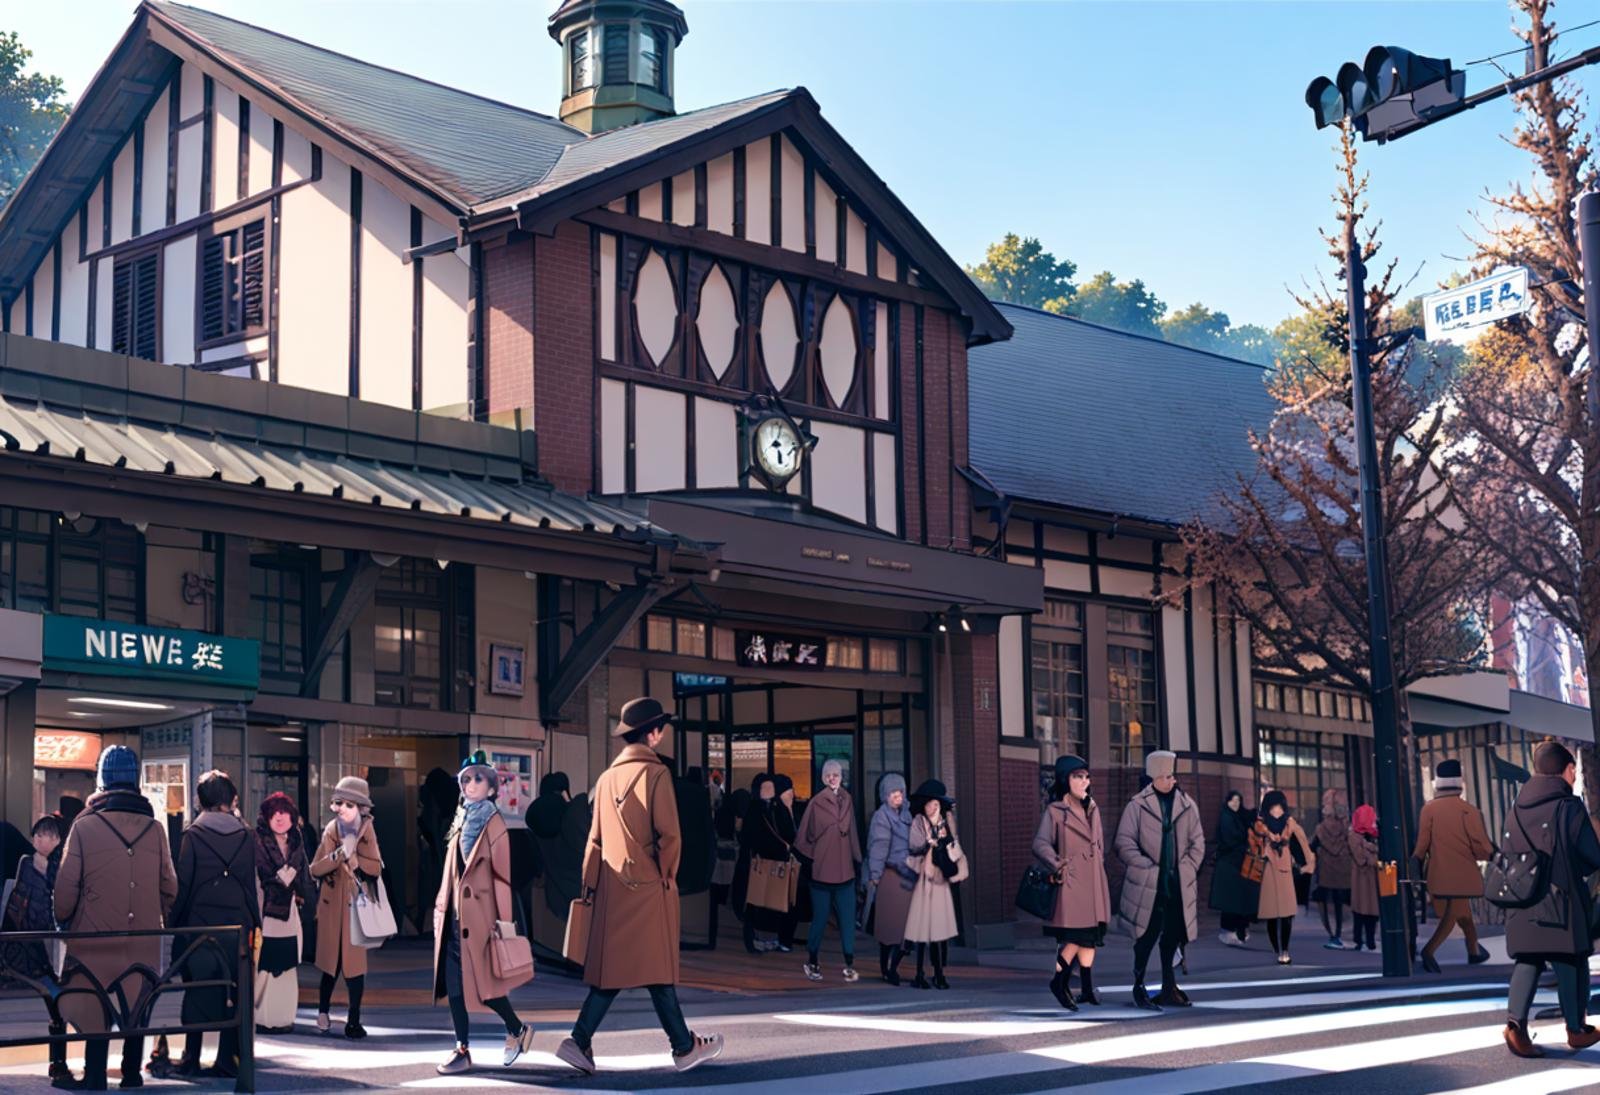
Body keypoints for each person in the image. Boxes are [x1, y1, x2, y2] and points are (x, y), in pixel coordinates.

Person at [554, 697, 723, 1075]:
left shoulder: (605, 778)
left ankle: (581, 1040)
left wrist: (590, 887)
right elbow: (670, 836)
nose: (661, 734)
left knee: (616, 973)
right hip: (648, 889)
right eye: (660, 728)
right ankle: (681, 1047)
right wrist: (665, 877)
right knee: (656, 970)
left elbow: (593, 842)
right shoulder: (657, 774)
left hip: (612, 890)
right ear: (652, 733)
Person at [54, 745, 178, 1091]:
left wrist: (63, 920)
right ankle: (132, 1073)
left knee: (96, 999)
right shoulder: (155, 829)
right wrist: (161, 918)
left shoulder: (84, 826)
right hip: (143, 938)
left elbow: (65, 888)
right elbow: (170, 885)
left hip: (95, 937)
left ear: (103, 780)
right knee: (135, 1000)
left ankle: (94, 1075)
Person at [431, 751, 535, 1075]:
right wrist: (439, 907)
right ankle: (462, 1048)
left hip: (480, 920)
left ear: (491, 788)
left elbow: (502, 878)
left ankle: (517, 1029)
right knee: (455, 988)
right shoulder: (460, 819)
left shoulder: (494, 823)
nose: (471, 784)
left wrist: (502, 924)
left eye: (478, 779)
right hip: (453, 918)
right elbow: (450, 871)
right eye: (466, 779)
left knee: (485, 988)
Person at [1503, 740, 1600, 1057]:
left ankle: (1515, 1027)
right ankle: (1576, 1029)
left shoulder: (1516, 807)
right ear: (1567, 769)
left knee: (1527, 960)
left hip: (1522, 899)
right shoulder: (1569, 807)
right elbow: (1590, 855)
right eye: (1573, 770)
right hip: (1561, 899)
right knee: (1570, 960)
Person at [170, 771, 260, 1078]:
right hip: (237, 925)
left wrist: (173, 924)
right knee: (236, 989)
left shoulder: (193, 835)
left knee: (198, 988)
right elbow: (250, 883)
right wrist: (255, 922)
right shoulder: (246, 835)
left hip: (200, 926)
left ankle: (191, 1058)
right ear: (229, 800)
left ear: (201, 800)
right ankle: (227, 1059)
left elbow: (184, 885)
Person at [1114, 751, 1204, 1010]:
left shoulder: (1187, 804)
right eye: (1166, 776)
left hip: (1177, 883)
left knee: (1174, 935)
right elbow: (1124, 842)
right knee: (1146, 936)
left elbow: (1198, 842)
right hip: (1148, 884)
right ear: (1153, 777)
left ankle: (1168, 986)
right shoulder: (1137, 806)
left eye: (1173, 775)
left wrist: (1188, 867)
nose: (1172, 780)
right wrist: (1145, 867)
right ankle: (1138, 985)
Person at [1032, 755, 1110, 1010]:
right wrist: (1058, 863)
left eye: (1086, 776)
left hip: (1094, 883)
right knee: (1075, 938)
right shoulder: (1056, 811)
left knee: (1090, 938)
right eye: (1078, 776)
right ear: (1066, 780)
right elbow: (1040, 844)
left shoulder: (1092, 808)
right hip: (1073, 883)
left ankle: (1086, 988)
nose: (1084, 781)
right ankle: (1058, 982)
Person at [310, 776, 384, 1038]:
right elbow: (315, 868)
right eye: (338, 802)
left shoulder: (367, 831)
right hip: (332, 907)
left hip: (356, 907)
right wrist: (340, 854)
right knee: (330, 965)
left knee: (355, 969)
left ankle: (354, 1021)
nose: (341, 808)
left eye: (347, 803)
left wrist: (357, 861)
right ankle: (322, 1012)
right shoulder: (332, 829)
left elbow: (376, 867)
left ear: (360, 807)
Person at [2, 815, 68, 1081]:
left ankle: (59, 1061)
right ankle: (58, 1062)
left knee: (54, 996)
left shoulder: (12, 843)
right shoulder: (10, 838)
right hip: (20, 943)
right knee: (54, 996)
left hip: (18, 943)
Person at [1413, 758, 1493, 972]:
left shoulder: (1428, 810)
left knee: (1462, 912)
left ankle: (1474, 950)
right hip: (1463, 873)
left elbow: (1422, 845)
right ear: (1459, 782)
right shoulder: (1469, 811)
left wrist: (1416, 862)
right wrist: (1492, 855)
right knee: (1455, 914)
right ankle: (1429, 951)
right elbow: (1482, 846)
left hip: (1438, 872)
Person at [794, 759, 862, 982]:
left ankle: (849, 961)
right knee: (821, 918)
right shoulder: (816, 803)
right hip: (822, 870)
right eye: (829, 774)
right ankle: (812, 958)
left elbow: (851, 831)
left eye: (837, 774)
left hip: (845, 869)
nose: (833, 778)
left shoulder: (848, 799)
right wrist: (815, 857)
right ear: (823, 777)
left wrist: (857, 858)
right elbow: (804, 837)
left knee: (847, 918)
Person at [254, 793, 315, 1035]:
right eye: (274, 814)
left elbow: (304, 875)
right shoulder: (257, 840)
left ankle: (283, 1017)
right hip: (266, 910)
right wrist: (282, 877)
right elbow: (261, 872)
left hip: (290, 912)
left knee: (287, 968)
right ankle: (263, 1017)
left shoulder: (297, 840)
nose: (279, 818)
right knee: (266, 966)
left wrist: (307, 898)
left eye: (285, 813)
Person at [903, 779, 963, 990]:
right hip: (923, 879)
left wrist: (945, 841)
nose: (933, 807)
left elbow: (955, 849)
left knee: (939, 928)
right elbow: (913, 845)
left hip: (941, 880)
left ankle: (939, 973)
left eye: (936, 803)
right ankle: (919, 972)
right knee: (921, 928)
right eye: (930, 803)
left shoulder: (946, 822)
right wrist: (929, 843)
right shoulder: (918, 821)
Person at [862, 773, 915, 984]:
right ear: (885, 795)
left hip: (909, 877)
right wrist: (874, 876)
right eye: (893, 792)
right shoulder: (881, 817)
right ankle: (887, 968)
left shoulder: (909, 815)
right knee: (889, 929)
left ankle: (892, 967)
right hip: (890, 877)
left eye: (900, 791)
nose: (897, 796)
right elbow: (878, 847)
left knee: (905, 931)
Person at [1253, 790, 1315, 966]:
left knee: (1287, 913)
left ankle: (1284, 950)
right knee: (1272, 914)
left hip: (1285, 868)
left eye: (1280, 808)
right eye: (1274, 808)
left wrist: (1309, 863)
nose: (1277, 811)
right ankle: (1277, 947)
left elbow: (1303, 841)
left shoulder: (1290, 822)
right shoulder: (1261, 823)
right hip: (1268, 868)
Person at [737, 775, 788, 953]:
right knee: (758, 900)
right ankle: (756, 938)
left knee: (770, 901)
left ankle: (767, 938)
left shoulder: (774, 808)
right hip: (759, 863)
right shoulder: (759, 808)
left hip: (771, 863)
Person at [1208, 790, 1258, 948]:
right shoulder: (1227, 818)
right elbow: (1231, 839)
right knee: (1231, 900)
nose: (1235, 804)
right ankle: (1230, 931)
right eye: (1232, 801)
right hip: (1229, 864)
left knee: (1236, 899)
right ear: (1227, 802)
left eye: (1238, 801)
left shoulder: (1237, 816)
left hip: (1238, 864)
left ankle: (1237, 930)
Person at [1310, 789, 1353, 950]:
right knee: (1340, 902)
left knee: (1324, 901)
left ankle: (1333, 935)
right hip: (1344, 871)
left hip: (1326, 872)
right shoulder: (1346, 827)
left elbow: (1312, 847)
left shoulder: (1320, 828)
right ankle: (1340, 933)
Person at [708, 788, 747, 950]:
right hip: (730, 854)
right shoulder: (736, 815)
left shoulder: (721, 811)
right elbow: (737, 835)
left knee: (718, 886)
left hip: (719, 854)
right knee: (727, 885)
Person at [1348, 804, 1380, 953]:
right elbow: (1361, 858)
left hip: (1372, 879)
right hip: (1361, 878)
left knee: (1372, 911)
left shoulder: (1374, 835)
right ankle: (1359, 939)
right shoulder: (1353, 836)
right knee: (1360, 911)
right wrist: (1372, 851)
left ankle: (1370, 939)